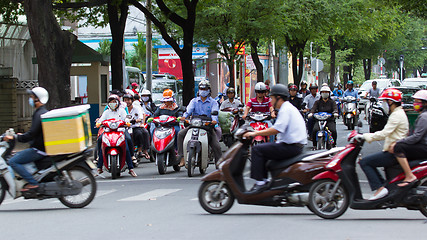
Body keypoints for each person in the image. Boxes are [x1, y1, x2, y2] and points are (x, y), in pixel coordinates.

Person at [243, 84, 307, 193]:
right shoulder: (287, 108)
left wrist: (254, 133)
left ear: (279, 98)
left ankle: (260, 183)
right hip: (292, 145)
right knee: (267, 156)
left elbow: (277, 129)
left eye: (272, 98)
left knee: (257, 150)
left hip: (291, 146)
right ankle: (269, 183)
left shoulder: (285, 109)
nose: (270, 100)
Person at [356, 88, 409, 200]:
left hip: (394, 152)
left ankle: (380, 188)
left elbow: (384, 133)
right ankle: (383, 187)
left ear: (391, 102)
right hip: (393, 149)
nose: (383, 104)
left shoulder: (396, 115)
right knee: (370, 161)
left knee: (365, 162)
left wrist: (365, 136)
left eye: (385, 101)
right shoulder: (398, 113)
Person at [3, 87, 49, 192]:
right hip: (40, 147)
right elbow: (34, 133)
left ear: (37, 99)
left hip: (38, 150)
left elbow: (32, 134)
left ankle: (33, 183)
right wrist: (21, 136)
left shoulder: (39, 114)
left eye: (32, 97)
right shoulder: (41, 112)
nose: (30, 99)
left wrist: (16, 137)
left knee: (13, 161)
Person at [177, 80, 222, 167]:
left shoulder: (213, 102)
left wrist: (214, 120)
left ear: (209, 90)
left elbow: (214, 113)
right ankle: (182, 157)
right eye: (201, 88)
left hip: (207, 126)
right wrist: (184, 117)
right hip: (194, 124)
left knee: (217, 146)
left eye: (205, 89)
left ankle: (219, 165)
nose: (203, 90)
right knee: (180, 134)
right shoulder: (194, 101)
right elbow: (188, 111)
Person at [389, 90, 427, 187]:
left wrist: (397, 142)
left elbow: (416, 137)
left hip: (424, 147)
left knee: (399, 147)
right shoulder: (422, 115)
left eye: (418, 102)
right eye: (415, 101)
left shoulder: (424, 117)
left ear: (425, 103)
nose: (415, 104)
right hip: (422, 145)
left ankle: (409, 175)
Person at [96, 95, 137, 177]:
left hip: (120, 131)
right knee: (101, 143)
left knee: (127, 142)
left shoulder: (121, 111)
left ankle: (131, 168)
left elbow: (126, 118)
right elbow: (101, 120)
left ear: (118, 102)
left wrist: (127, 122)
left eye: (114, 101)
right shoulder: (106, 112)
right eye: (111, 102)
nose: (112, 103)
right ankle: (99, 167)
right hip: (108, 132)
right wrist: (99, 123)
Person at [123, 93, 150, 160]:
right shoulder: (122, 109)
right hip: (124, 127)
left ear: (132, 101)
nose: (127, 102)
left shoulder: (137, 108)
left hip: (135, 126)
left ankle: (141, 150)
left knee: (141, 133)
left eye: (128, 100)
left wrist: (136, 120)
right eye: (125, 100)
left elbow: (140, 117)